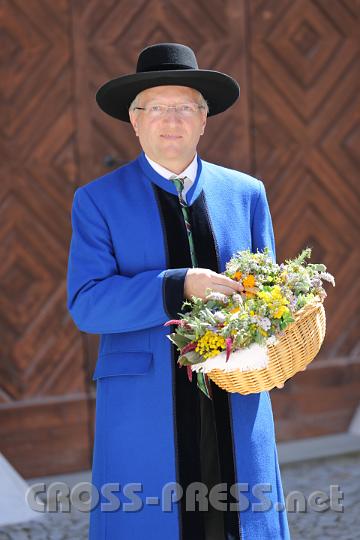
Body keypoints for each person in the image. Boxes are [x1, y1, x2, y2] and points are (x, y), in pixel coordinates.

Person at [67, 43, 290, 540]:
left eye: (185, 107)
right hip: (143, 403)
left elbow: (272, 296)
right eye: (157, 108)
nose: (172, 121)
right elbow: (87, 303)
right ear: (135, 120)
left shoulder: (246, 193)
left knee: (242, 521)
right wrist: (176, 286)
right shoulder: (97, 201)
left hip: (236, 396)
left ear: (204, 120)